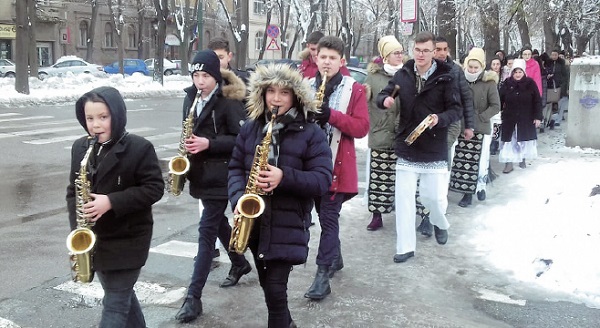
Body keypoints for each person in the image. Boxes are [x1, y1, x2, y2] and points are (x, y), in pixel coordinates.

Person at [228, 63, 333, 328]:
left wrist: (283, 177)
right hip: (255, 224)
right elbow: (236, 168)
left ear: (295, 96)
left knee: (275, 290)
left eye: (284, 92)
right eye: (270, 91)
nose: (276, 98)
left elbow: (322, 180)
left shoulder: (312, 133)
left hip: (287, 224)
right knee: (269, 289)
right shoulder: (251, 128)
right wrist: (239, 198)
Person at [66, 86, 165, 327]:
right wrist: (79, 231)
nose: (95, 125)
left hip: (129, 239)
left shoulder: (139, 147)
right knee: (121, 297)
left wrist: (111, 201)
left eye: (103, 117)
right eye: (89, 118)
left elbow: (154, 188)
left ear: (117, 115)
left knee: (115, 305)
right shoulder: (81, 147)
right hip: (96, 239)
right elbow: (73, 191)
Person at [175, 50, 251, 323]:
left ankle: (193, 297)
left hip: (223, 175)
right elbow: (187, 129)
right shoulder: (190, 97)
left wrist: (210, 144)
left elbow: (242, 138)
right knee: (217, 223)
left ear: (216, 75)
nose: (200, 81)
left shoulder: (229, 100)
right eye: (196, 75)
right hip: (200, 175)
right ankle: (240, 262)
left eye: (205, 75)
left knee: (206, 232)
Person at [377, 31, 462, 263]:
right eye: (417, 50)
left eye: (426, 50)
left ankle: (439, 221)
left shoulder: (447, 76)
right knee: (404, 199)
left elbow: (456, 110)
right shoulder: (404, 74)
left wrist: (439, 119)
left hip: (434, 146)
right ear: (412, 49)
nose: (421, 54)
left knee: (433, 198)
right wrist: (384, 100)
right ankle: (405, 247)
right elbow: (386, 92)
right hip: (407, 144)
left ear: (434, 52)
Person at [304, 35, 369, 300]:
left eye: (332, 58)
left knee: (328, 218)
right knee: (322, 216)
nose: (327, 62)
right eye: (323, 57)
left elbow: (361, 127)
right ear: (315, 58)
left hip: (336, 166)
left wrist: (331, 115)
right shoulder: (306, 85)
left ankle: (322, 276)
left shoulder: (355, 88)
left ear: (341, 61)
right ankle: (335, 256)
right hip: (309, 166)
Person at [415, 35, 474, 237]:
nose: (441, 53)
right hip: (423, 127)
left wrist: (470, 126)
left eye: (444, 49)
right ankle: (425, 218)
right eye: (437, 49)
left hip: (449, 128)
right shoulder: (421, 69)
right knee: (422, 177)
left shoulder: (455, 71)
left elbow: (466, 99)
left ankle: (437, 218)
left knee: (439, 178)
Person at [449, 48, 500, 207]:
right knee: (462, 161)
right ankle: (465, 190)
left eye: (475, 67)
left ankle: (475, 189)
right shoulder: (459, 81)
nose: (472, 70)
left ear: (482, 67)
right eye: (469, 67)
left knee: (477, 161)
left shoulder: (488, 83)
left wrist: (481, 117)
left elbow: (495, 105)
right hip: (462, 127)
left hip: (480, 128)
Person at [364, 35, 405, 231]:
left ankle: (405, 214)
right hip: (380, 132)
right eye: (395, 53)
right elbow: (364, 104)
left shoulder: (408, 74)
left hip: (404, 134)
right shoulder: (373, 77)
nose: (400, 55)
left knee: (404, 178)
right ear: (386, 56)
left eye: (401, 52)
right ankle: (377, 215)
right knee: (379, 177)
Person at [498, 58, 542, 173]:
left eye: (520, 72)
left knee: (522, 138)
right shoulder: (507, 83)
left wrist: (537, 117)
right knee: (509, 140)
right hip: (509, 117)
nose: (517, 74)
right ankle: (509, 163)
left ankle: (522, 158)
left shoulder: (530, 83)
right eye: (515, 72)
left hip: (526, 116)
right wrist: (497, 114)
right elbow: (499, 100)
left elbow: (537, 100)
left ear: (524, 72)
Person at [544, 49, 569, 128]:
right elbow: (545, 72)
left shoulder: (561, 64)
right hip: (549, 85)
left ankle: (555, 120)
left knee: (557, 105)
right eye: (552, 55)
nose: (554, 56)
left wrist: (564, 86)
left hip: (559, 86)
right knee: (549, 105)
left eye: (555, 55)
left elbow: (565, 76)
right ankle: (548, 120)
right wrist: (547, 76)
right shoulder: (548, 63)